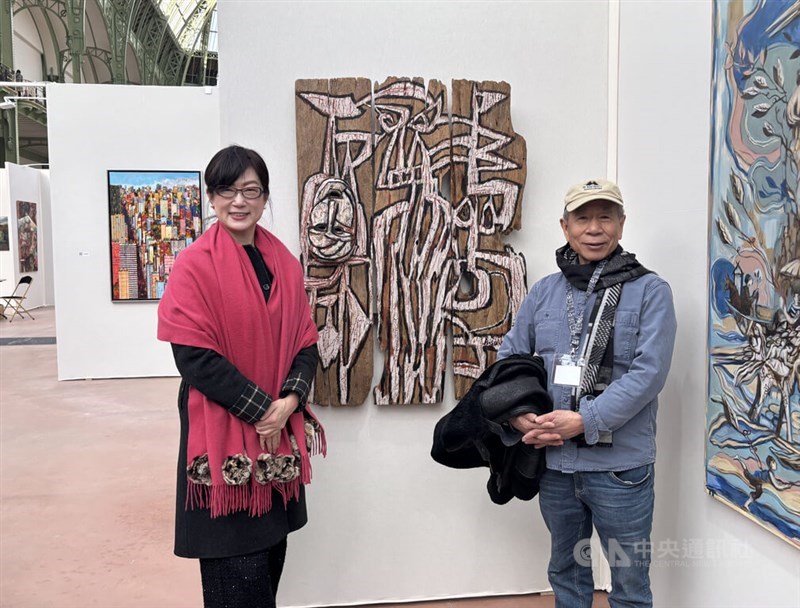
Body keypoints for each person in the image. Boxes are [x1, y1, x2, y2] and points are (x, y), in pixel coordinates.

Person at [157, 145, 325, 608]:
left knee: (270, 563)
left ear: (265, 198)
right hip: (222, 442)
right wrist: (261, 411)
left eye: (251, 190)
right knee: (236, 575)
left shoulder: (284, 265)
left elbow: (305, 343)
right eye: (227, 189)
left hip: (275, 444)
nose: (239, 201)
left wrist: (288, 403)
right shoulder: (194, 265)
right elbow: (193, 356)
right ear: (211, 197)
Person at [498, 179, 677, 608]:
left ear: (621, 223)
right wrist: (521, 415)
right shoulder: (544, 292)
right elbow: (510, 358)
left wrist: (585, 420)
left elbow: (648, 374)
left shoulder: (651, 291)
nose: (594, 228)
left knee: (629, 584)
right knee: (566, 572)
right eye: (583, 217)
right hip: (555, 466)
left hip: (620, 470)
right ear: (565, 227)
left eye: (605, 216)